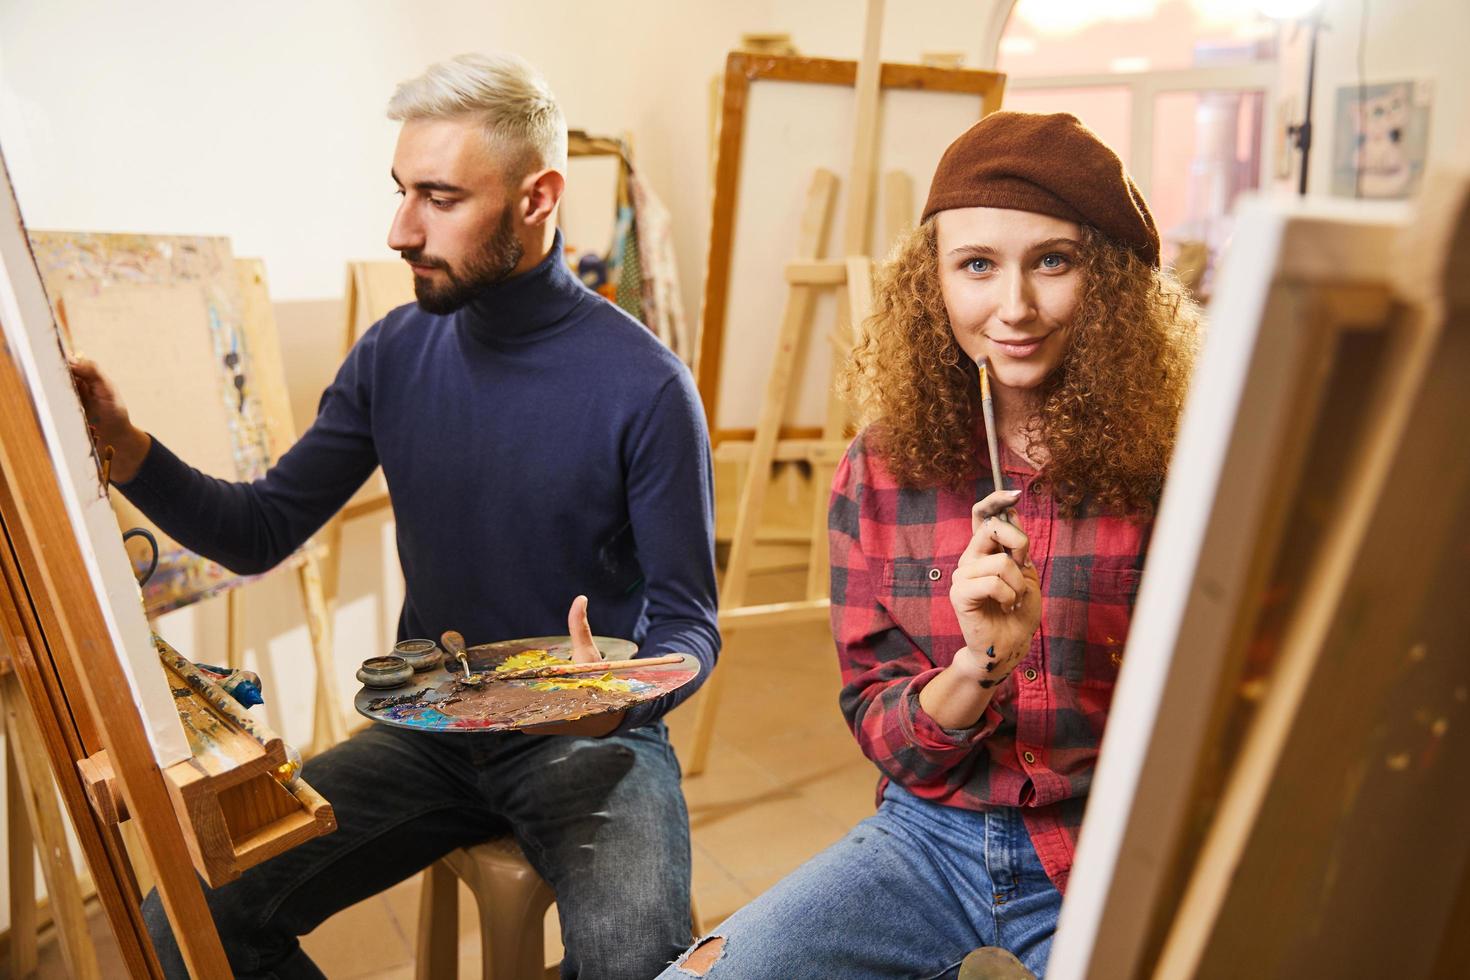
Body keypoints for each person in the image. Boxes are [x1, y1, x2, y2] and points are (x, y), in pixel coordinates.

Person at [72, 52, 719, 980]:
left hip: (593, 745)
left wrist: (616, 697)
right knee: (185, 925)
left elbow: (690, 623)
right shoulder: (393, 352)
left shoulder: (647, 386)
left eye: (440, 198)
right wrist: (127, 448)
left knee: (637, 969)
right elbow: (260, 531)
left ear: (538, 198)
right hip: (435, 733)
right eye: (400, 190)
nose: (399, 229)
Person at [657, 112, 1199, 979]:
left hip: (1113, 846)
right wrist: (977, 665)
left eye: (1052, 261)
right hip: (928, 838)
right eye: (976, 265)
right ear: (933, 283)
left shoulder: (1187, 470)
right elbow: (886, 732)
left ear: (1109, 285)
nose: (1012, 306)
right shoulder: (878, 472)